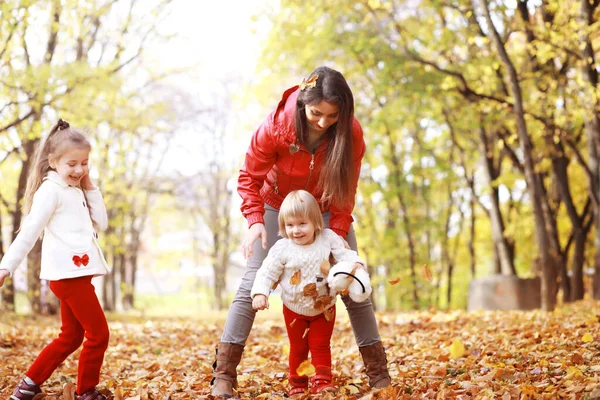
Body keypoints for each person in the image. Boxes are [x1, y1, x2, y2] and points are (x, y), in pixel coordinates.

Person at [211, 66, 391, 398]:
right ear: (302, 104)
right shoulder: (275, 128)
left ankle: (379, 373)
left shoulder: (350, 133)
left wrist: (336, 238)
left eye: (333, 115)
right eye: (316, 113)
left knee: (354, 283)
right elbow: (249, 179)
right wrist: (254, 221)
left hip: (325, 207)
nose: (324, 122)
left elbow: (346, 187)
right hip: (278, 207)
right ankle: (224, 373)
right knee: (253, 279)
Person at [0, 119, 112, 400]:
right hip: (68, 277)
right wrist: (6, 266)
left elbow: (102, 222)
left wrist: (89, 186)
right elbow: (28, 233)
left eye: (84, 163)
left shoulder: (76, 190)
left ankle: (28, 385)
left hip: (77, 274)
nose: (79, 169)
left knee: (71, 336)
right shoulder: (50, 191)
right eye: (72, 163)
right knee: (98, 334)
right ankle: (86, 391)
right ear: (52, 161)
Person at [251, 190, 370, 396]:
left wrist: (356, 265)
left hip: (324, 307)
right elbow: (267, 271)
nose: (295, 230)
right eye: (290, 225)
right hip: (293, 309)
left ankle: (322, 381)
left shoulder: (328, 239)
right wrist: (260, 293)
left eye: (302, 224)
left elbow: (344, 255)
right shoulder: (282, 248)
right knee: (298, 347)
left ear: (315, 222)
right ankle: (297, 382)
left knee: (321, 345)